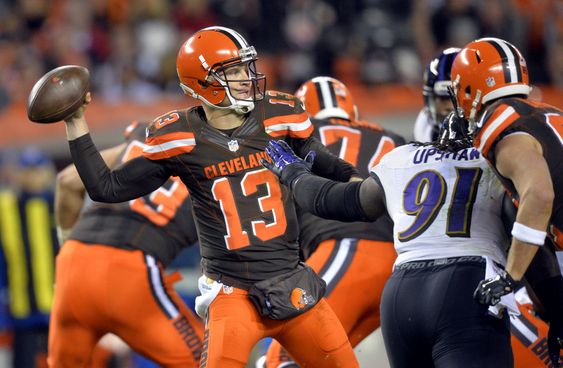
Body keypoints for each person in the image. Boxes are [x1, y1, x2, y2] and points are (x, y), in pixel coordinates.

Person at [57, 26, 359, 367]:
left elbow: (315, 155)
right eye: (233, 71)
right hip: (232, 292)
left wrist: (355, 179)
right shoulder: (179, 137)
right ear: (202, 82)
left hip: (291, 278)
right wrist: (76, 122)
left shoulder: (278, 113)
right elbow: (106, 188)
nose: (247, 78)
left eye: (246, 68)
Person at [263, 111, 518, 367]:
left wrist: (294, 174)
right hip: (465, 283)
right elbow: (531, 226)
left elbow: (339, 201)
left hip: (402, 291)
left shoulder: (403, 157)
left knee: (292, 354)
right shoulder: (498, 161)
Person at [418, 48, 559, 368]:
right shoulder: (541, 109)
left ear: (468, 89)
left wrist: (511, 277)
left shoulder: (498, 125)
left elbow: (538, 197)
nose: (448, 107)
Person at [260, 76, 404, 368]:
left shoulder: (295, 138)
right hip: (401, 267)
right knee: (325, 361)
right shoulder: (394, 139)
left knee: (282, 359)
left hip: (347, 250)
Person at [48, 121, 204, 368]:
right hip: (130, 269)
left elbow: (67, 181)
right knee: (213, 360)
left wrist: (67, 249)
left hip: (73, 262)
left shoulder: (142, 142)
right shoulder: (219, 159)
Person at [0, 147, 59, 368]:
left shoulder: (60, 202)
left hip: (58, 304)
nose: (33, 176)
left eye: (37, 170)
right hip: (22, 304)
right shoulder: (6, 207)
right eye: (28, 171)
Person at [413, 47, 460, 142]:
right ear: (431, 100)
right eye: (443, 98)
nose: (451, 106)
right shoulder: (424, 132)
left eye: (457, 98)